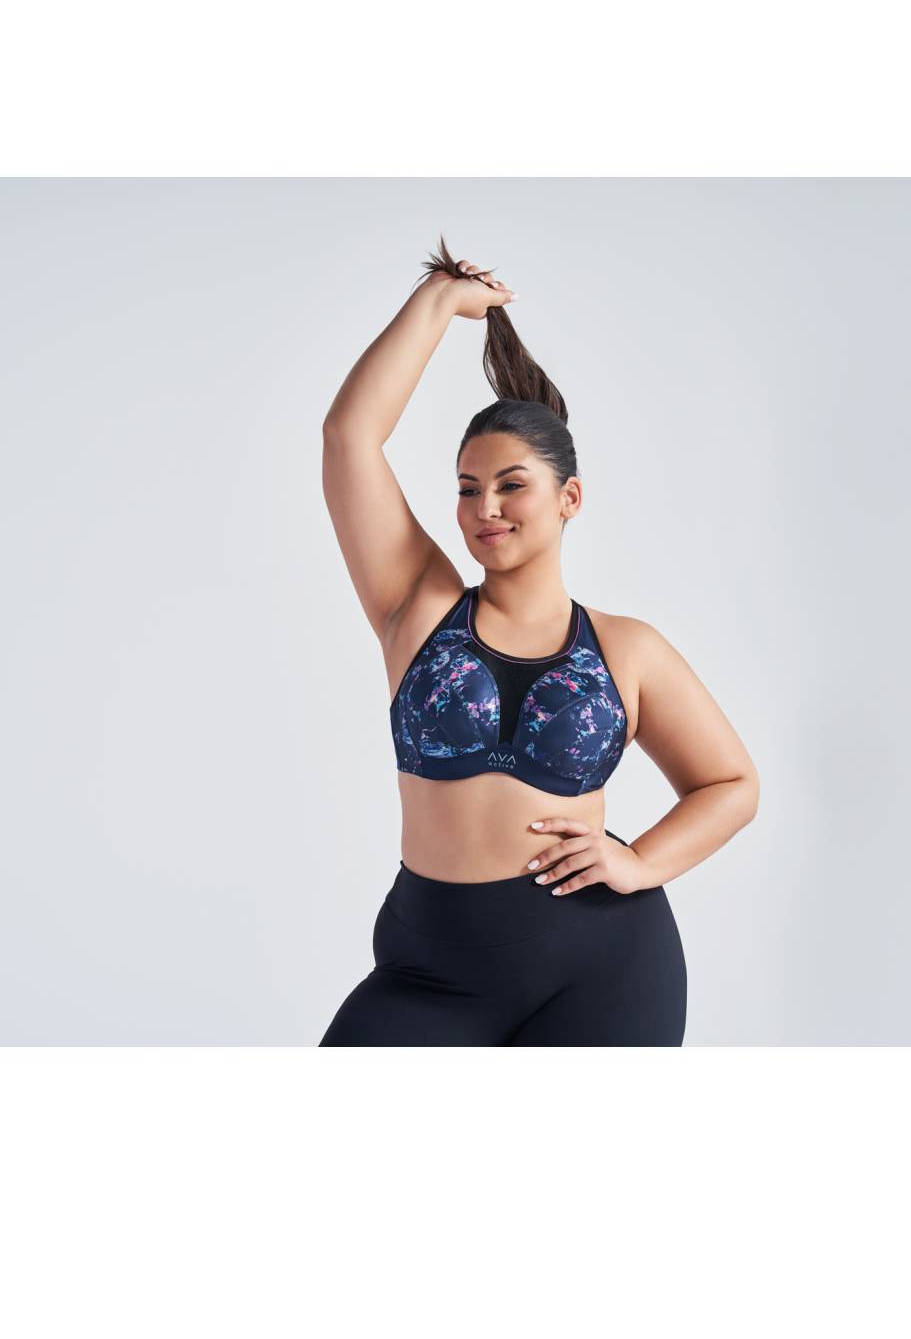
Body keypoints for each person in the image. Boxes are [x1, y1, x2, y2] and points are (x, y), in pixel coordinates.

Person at [317, 237, 760, 1045]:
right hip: (430, 968)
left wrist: (639, 862)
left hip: (601, 965)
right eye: (467, 489)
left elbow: (730, 783)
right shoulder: (417, 607)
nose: (485, 508)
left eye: (511, 485)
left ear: (569, 498)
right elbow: (350, 436)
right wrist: (437, 302)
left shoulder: (628, 650)